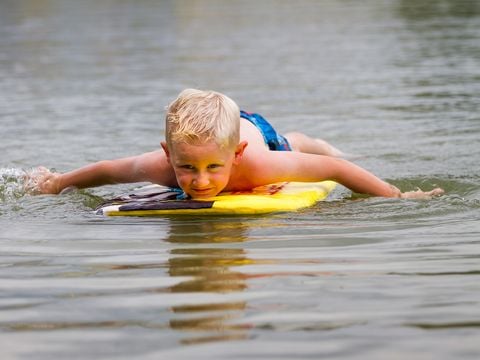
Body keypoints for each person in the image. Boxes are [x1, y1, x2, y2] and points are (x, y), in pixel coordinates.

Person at [31, 88, 443, 199]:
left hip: (256, 134)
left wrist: (397, 195)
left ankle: (315, 140)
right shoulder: (159, 167)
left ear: (235, 158)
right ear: (168, 154)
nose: (201, 181)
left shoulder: (257, 163)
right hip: (219, 132)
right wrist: (55, 183)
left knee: (295, 145)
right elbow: (105, 170)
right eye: (186, 168)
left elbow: (337, 172)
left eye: (213, 168)